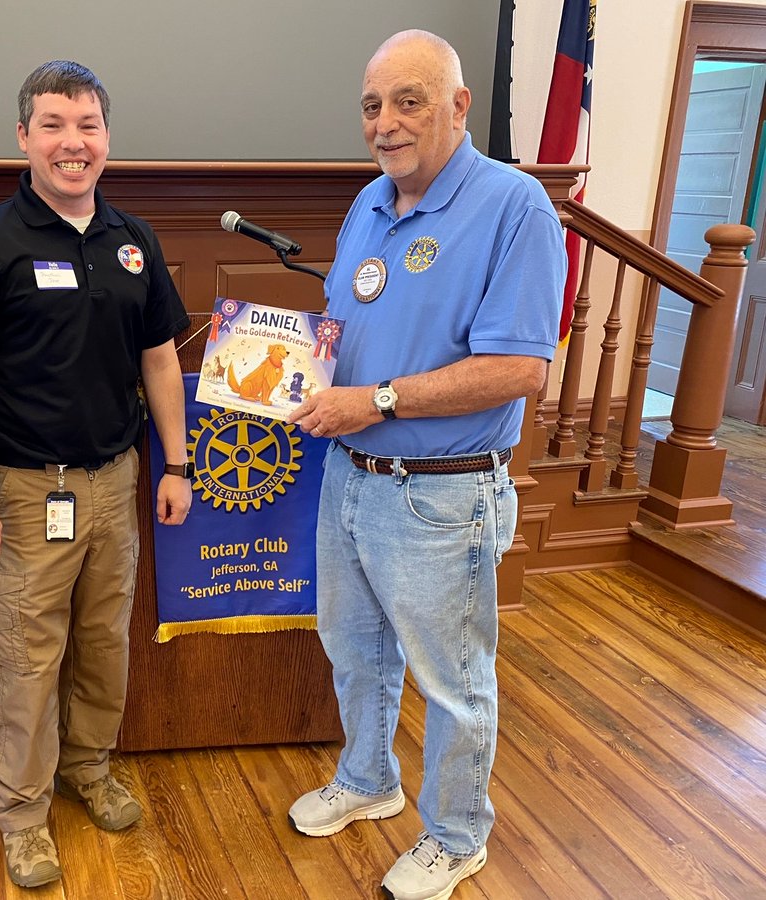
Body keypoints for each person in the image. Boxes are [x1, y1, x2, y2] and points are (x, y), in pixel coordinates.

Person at [285, 30, 565, 900]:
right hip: (349, 479)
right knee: (354, 651)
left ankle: (455, 836)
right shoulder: (369, 203)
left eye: (408, 101)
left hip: (442, 496)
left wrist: (376, 401)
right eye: (373, 106)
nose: (386, 123)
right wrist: (286, 366)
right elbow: (351, 329)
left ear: (457, 105)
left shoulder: (515, 207)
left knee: (454, 680)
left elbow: (521, 368)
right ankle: (369, 780)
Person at [0, 60, 191, 889]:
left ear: (107, 136)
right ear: (25, 138)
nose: (74, 143)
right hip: (30, 492)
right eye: (55, 126)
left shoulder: (132, 241)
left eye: (88, 126)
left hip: (116, 480)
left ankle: (88, 766)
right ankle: (22, 811)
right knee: (30, 659)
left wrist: (176, 465)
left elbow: (161, 363)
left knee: (105, 643)